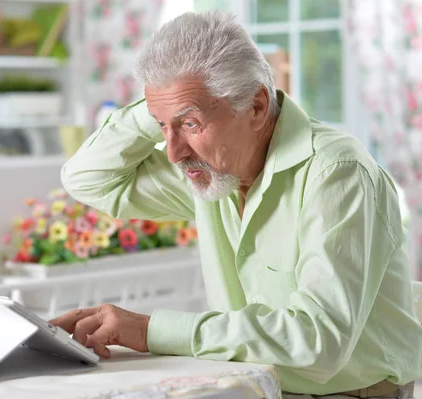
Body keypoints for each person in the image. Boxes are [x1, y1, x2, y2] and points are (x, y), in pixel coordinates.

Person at [51, 10, 422, 398]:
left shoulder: (337, 173)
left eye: (191, 124)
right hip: (254, 386)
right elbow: (86, 178)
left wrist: (148, 330)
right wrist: (165, 107)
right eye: (162, 127)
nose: (174, 153)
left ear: (257, 107)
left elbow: (319, 340)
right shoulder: (212, 172)